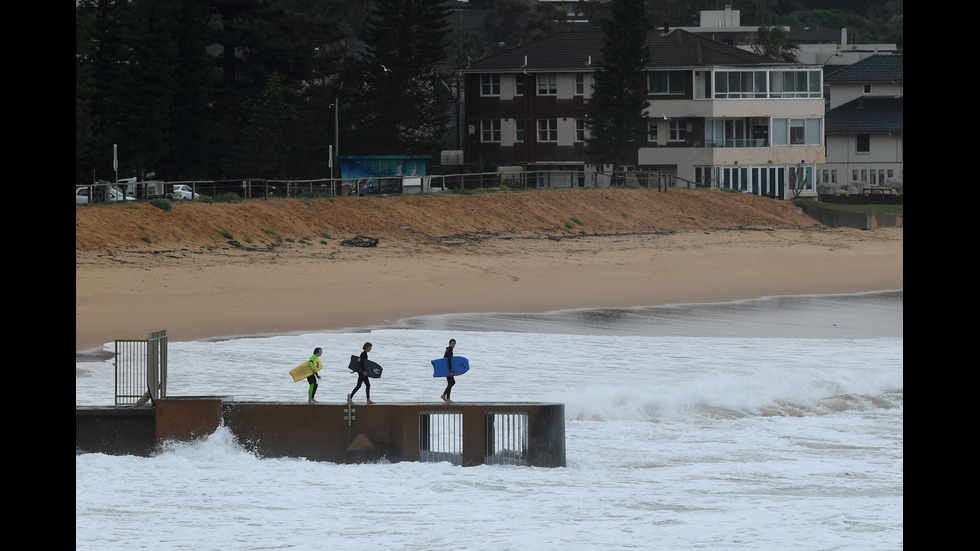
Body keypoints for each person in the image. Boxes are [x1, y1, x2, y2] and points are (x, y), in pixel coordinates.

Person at [441, 338, 457, 404]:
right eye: (452, 343)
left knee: (450, 383)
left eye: (454, 344)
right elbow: (449, 361)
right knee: (452, 382)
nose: (453, 345)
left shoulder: (448, 349)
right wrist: (450, 370)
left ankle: (448, 398)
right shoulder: (449, 351)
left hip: (446, 369)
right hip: (448, 369)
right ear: (449, 343)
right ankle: (444, 395)